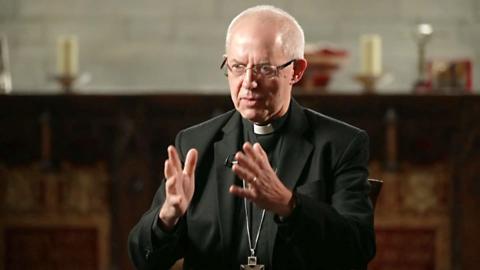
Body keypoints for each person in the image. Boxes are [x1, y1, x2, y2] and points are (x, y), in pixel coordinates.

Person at [128, 5, 375, 270]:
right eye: (236, 66)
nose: (248, 82)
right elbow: (144, 260)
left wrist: (290, 206)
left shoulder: (339, 144)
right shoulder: (195, 145)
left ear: (297, 70)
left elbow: (357, 249)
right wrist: (169, 215)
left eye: (265, 69)